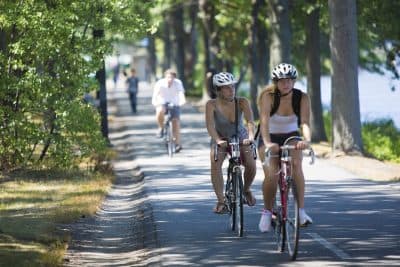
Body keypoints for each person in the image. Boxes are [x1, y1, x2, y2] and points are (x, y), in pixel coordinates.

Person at [257, 63, 313, 232]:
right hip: (269, 137)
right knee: (272, 174)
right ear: (276, 82)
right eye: (281, 81)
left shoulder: (302, 97)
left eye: (289, 80)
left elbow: (304, 123)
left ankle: (301, 211)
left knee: (296, 165)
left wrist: (307, 140)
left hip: (291, 136)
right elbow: (264, 123)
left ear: (294, 81)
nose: (286, 84)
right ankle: (267, 211)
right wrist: (267, 143)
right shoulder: (268, 96)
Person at [205, 72, 257, 214]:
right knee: (215, 164)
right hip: (220, 137)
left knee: (251, 164)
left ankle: (246, 190)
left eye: (232, 87)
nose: (231, 90)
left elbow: (250, 122)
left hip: (241, 136)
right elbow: (210, 125)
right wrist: (217, 140)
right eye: (226, 88)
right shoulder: (211, 105)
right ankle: (221, 201)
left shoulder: (242, 102)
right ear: (218, 90)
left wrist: (251, 137)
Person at [151, 69, 186, 152]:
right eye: (168, 77)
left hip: (175, 103)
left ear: (174, 78)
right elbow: (155, 95)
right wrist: (155, 103)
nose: (170, 79)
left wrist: (182, 102)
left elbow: (181, 94)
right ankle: (161, 127)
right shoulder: (160, 83)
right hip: (162, 102)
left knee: (176, 123)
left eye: (172, 77)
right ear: (165, 77)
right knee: (160, 111)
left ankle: (177, 144)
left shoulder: (178, 83)